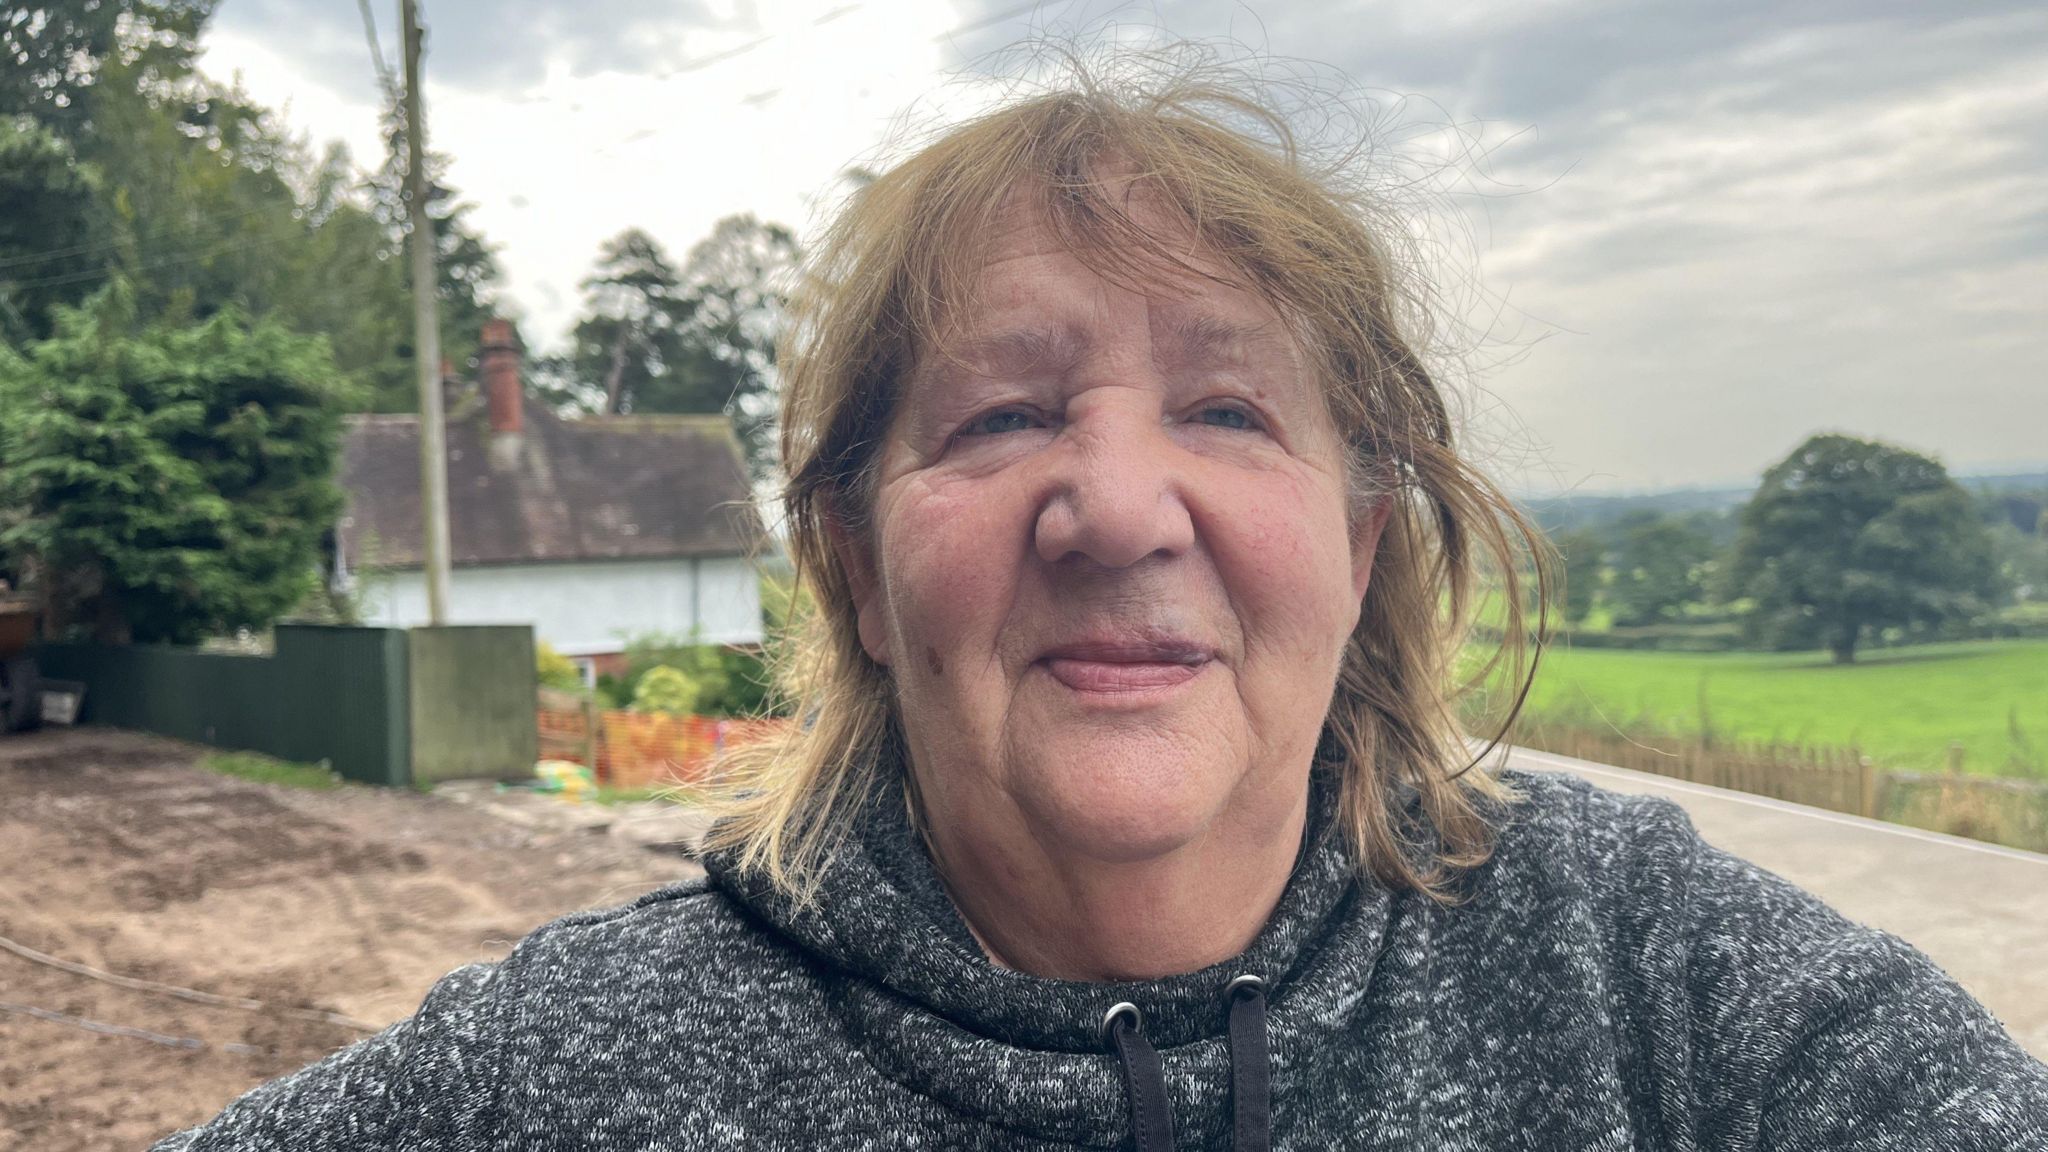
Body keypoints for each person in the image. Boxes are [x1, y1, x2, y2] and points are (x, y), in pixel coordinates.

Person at [157, 61, 2047, 1152]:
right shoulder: (585, 1073)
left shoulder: (1655, 977)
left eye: (1228, 409)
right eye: (1001, 414)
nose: (1119, 504)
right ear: (853, 570)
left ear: (1366, 543)